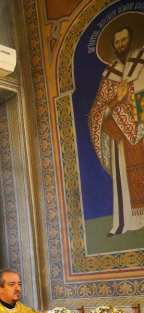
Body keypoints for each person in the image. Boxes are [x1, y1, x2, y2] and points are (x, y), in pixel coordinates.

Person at [89, 25, 144, 235]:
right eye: (117, 42)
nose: (121, 45)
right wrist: (116, 99)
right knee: (123, 177)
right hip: (118, 137)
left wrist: (130, 96)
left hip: (139, 131)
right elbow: (98, 109)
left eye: (124, 40)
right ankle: (125, 222)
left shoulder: (140, 64)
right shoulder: (109, 74)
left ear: (131, 40)